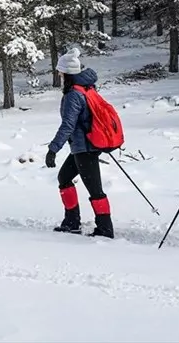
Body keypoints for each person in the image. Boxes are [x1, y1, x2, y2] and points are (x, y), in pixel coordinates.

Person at [45, 47, 113, 238]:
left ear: (67, 73)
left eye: (60, 71)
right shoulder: (86, 88)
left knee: (95, 190)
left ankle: (105, 230)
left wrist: (53, 149)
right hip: (83, 146)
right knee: (64, 178)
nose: (58, 73)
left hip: (86, 148)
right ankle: (72, 221)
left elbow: (68, 125)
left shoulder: (74, 95)